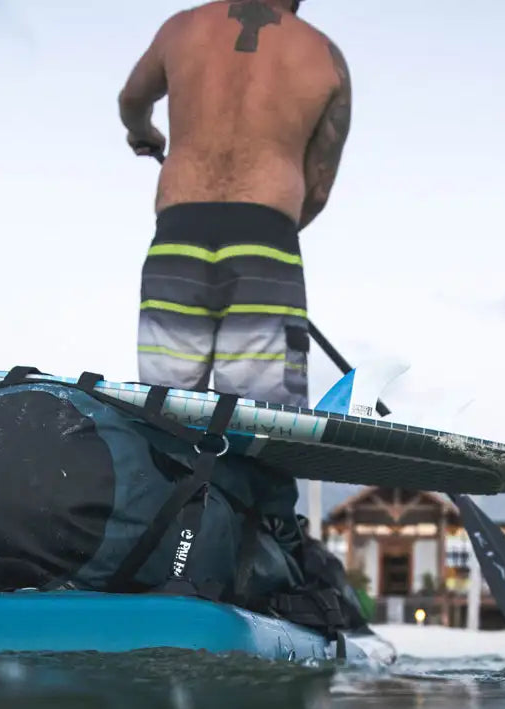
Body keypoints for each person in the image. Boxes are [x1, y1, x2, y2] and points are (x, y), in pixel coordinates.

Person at [119, 0, 351, 406]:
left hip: (179, 237)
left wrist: (145, 133)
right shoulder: (325, 57)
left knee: (166, 419)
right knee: (262, 427)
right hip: (266, 241)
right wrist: (260, 237)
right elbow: (318, 188)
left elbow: (132, 101)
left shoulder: (183, 27)